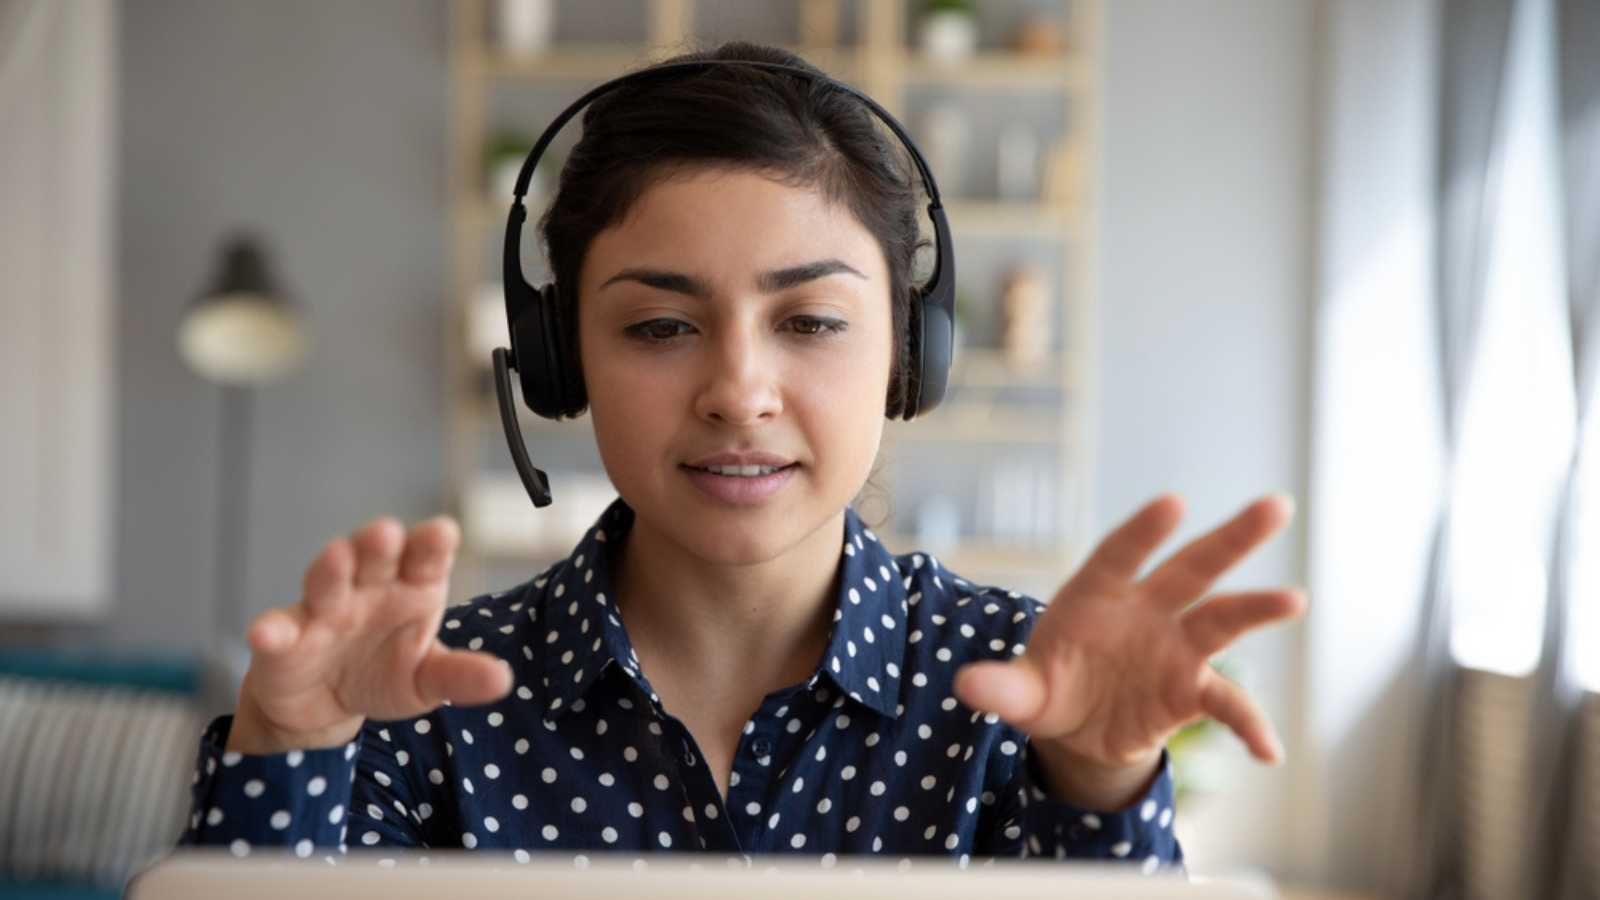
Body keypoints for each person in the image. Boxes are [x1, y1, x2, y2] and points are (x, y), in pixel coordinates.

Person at [177, 40, 1303, 870]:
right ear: (563, 360)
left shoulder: (1024, 693)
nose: (736, 393)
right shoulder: (416, 701)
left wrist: (1098, 785)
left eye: (809, 322)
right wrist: (291, 748)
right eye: (660, 327)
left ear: (911, 356)